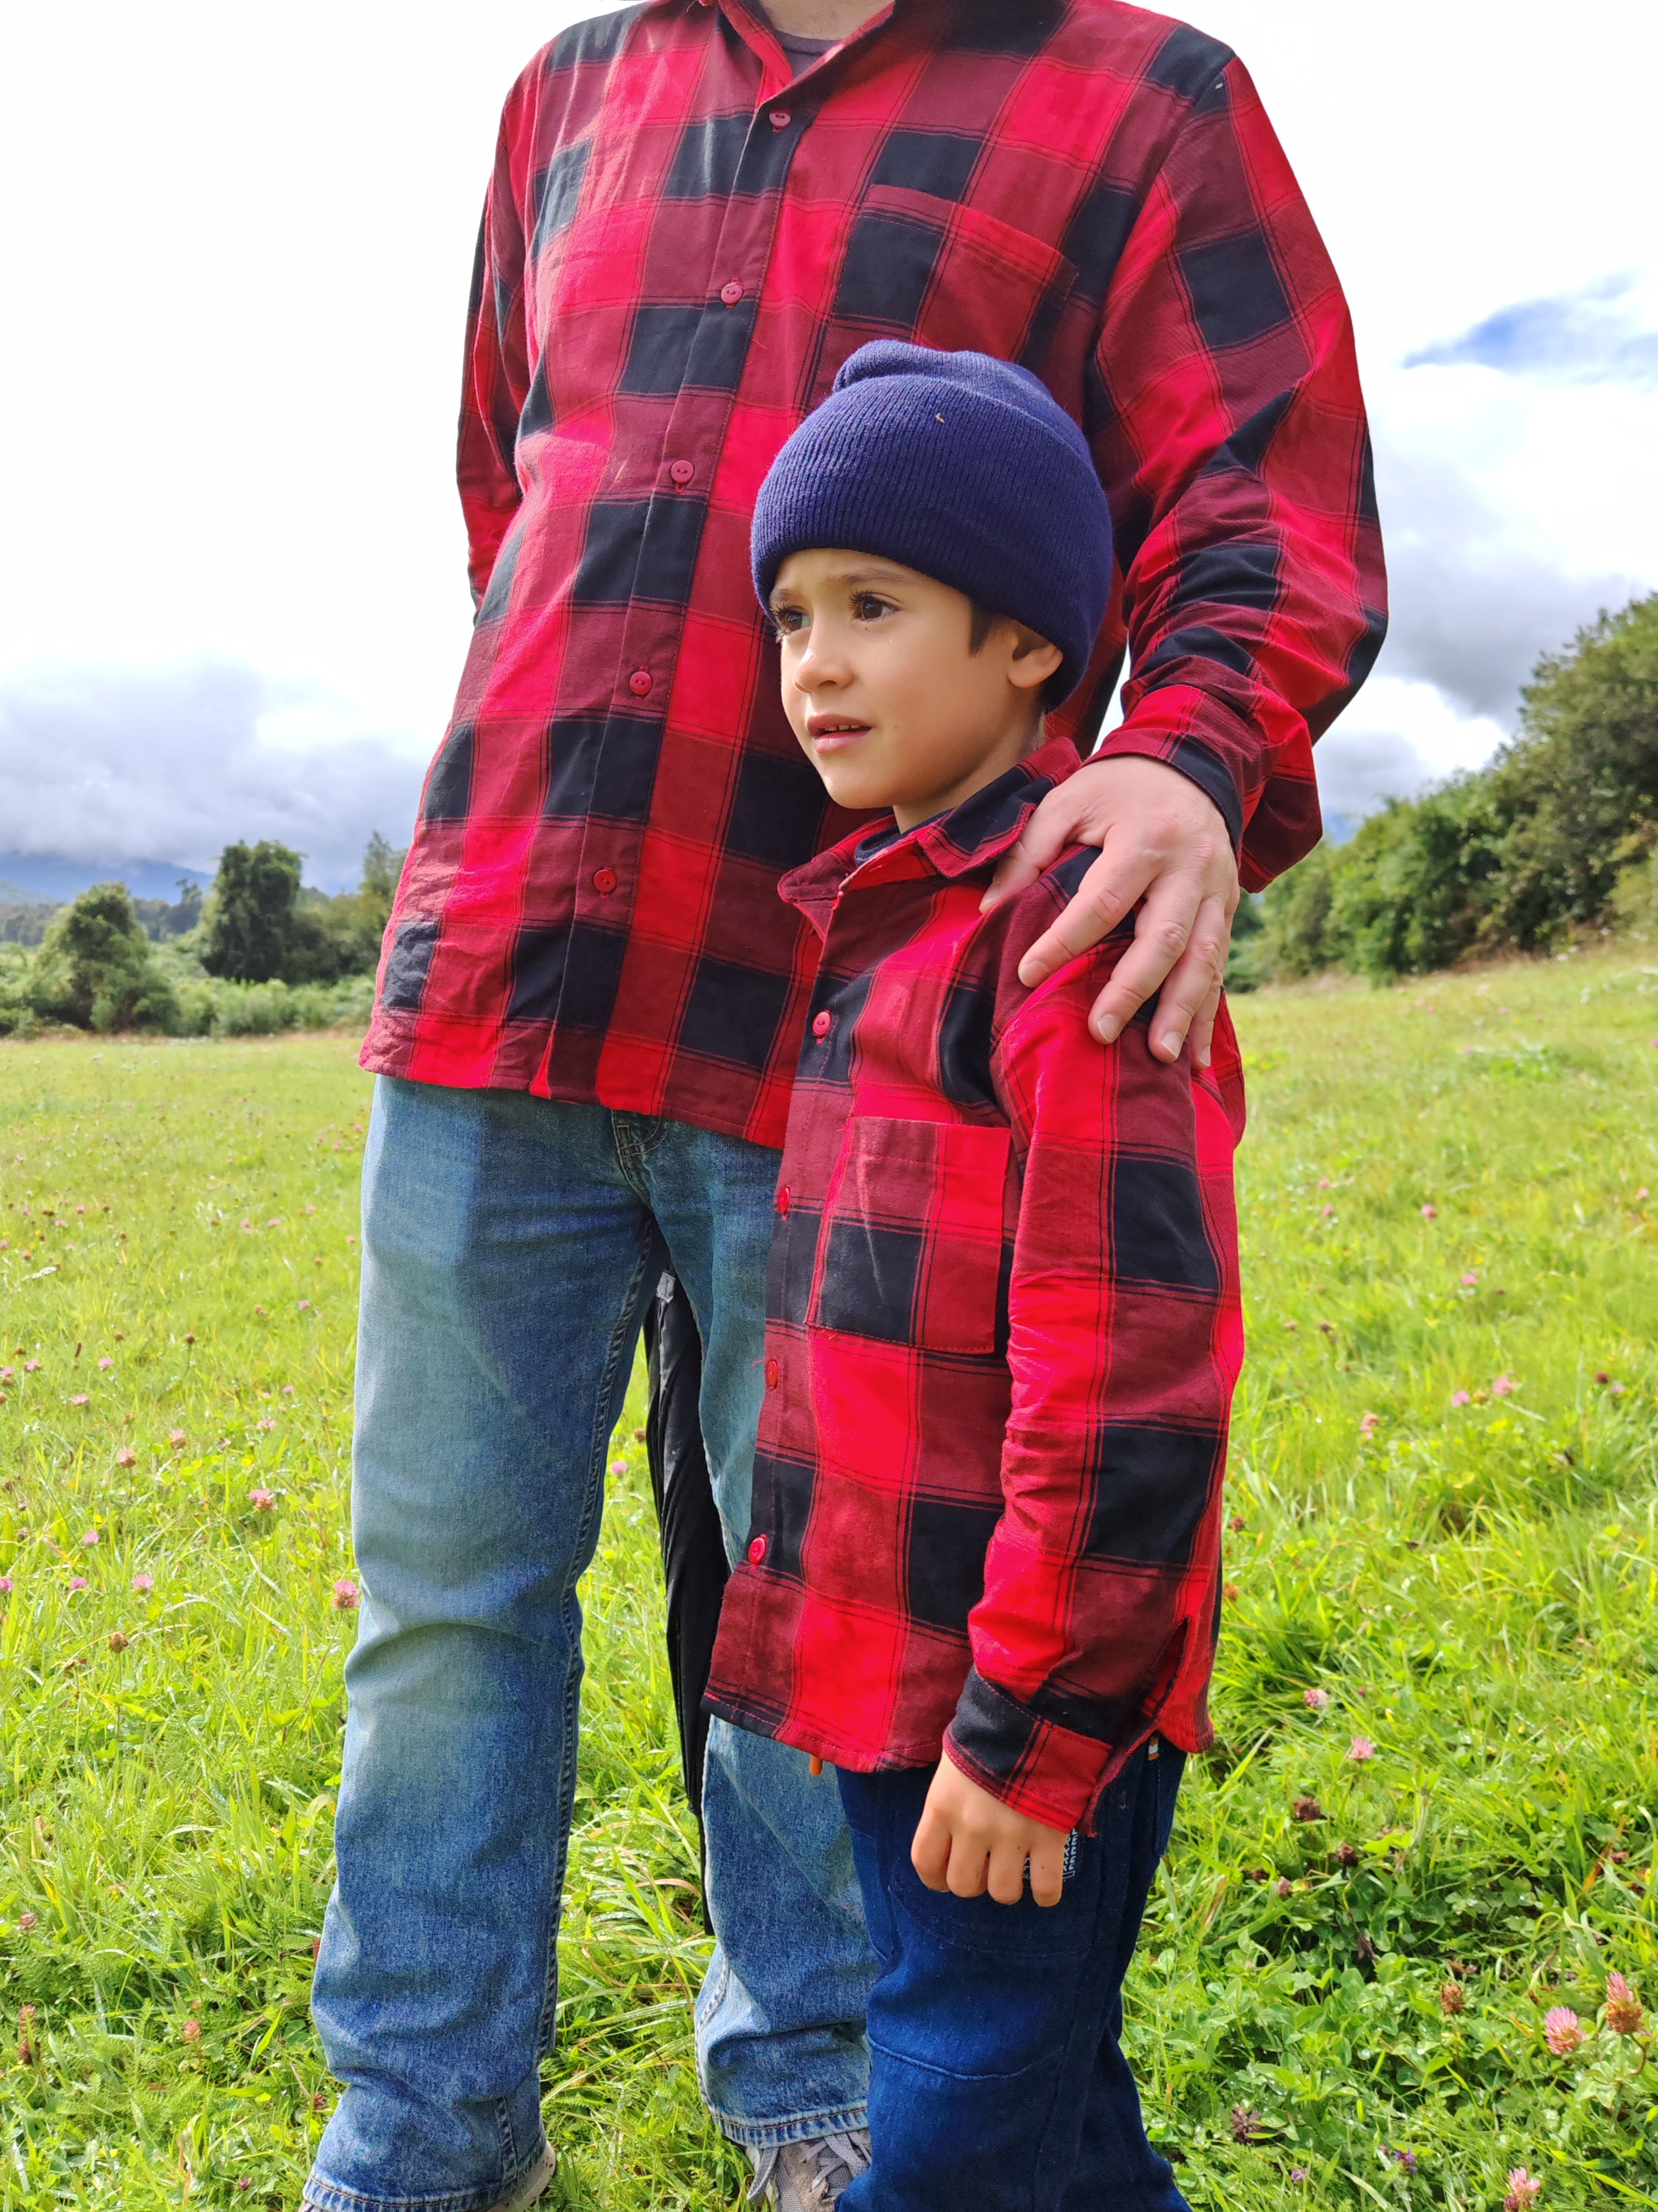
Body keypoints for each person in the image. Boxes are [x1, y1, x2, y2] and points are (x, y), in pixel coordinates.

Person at [302, 2, 1385, 2208]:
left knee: (827, 1591)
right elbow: (515, 493)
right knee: (441, 1596)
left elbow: (1261, 486)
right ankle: (418, 2138)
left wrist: (1181, 754)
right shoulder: (568, 96)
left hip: (849, 989)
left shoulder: (1137, 95)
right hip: (504, 948)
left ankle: (826, 2093)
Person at [703, 340, 1241, 2210]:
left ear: (1028, 640)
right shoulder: (880, 924)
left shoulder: (1073, 935)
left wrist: (1032, 1728)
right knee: (1036, 2081)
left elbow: (1129, 1377)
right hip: (883, 1653)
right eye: (790, 614)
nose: (815, 664)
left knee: (952, 2100)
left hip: (1013, 1691)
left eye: (872, 605)